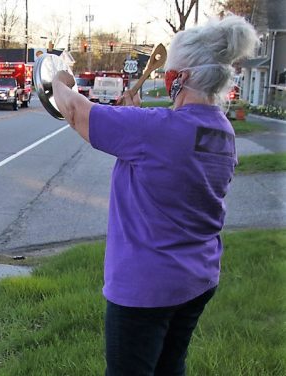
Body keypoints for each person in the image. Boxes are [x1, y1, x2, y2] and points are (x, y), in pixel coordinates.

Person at [51, 15, 258, 375]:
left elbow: (73, 110)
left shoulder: (155, 132)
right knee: (169, 366)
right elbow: (171, 152)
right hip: (197, 278)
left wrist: (58, 79)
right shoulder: (220, 130)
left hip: (146, 287)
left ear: (180, 78)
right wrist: (135, 115)